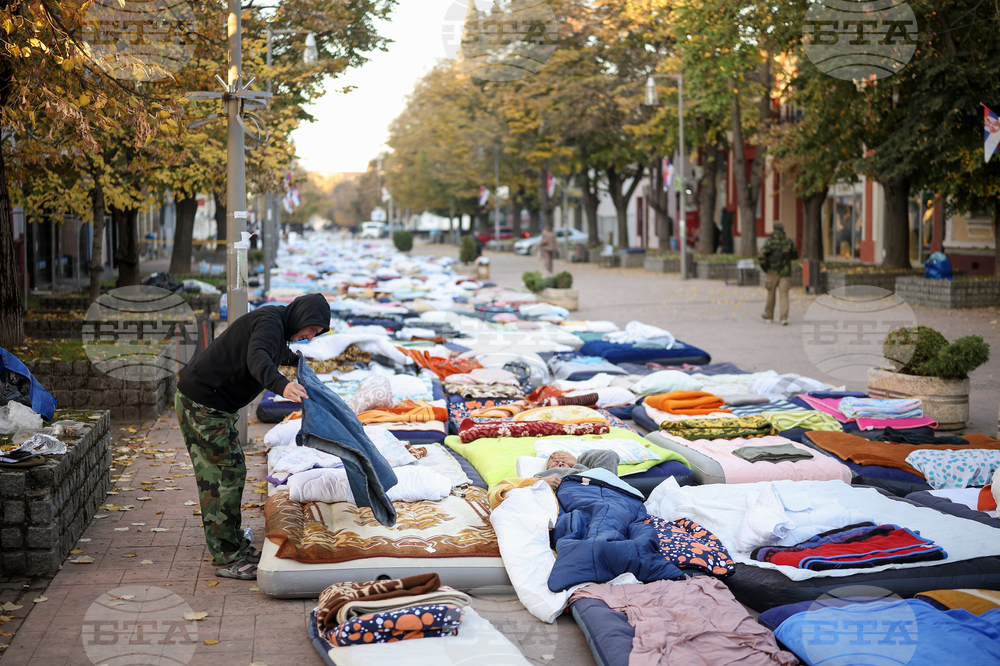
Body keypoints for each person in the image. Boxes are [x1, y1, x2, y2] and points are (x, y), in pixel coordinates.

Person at [175, 293, 331, 579]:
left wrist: (298, 363)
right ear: (302, 316)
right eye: (312, 329)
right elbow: (258, 357)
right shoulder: (270, 322)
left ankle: (233, 542)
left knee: (231, 472)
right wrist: (282, 385)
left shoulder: (275, 325)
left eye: (316, 334)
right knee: (221, 477)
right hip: (202, 406)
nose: (310, 336)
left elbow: (272, 352)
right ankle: (226, 557)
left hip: (213, 407)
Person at [488, 449, 620, 507]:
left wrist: (577, 462)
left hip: (610, 499)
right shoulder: (543, 478)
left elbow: (608, 457)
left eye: (565, 462)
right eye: (555, 463)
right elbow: (500, 490)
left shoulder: (586, 470)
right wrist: (537, 483)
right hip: (578, 506)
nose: (562, 464)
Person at [758, 221, 798, 326]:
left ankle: (769, 316)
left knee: (771, 294)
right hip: (785, 272)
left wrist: (766, 268)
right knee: (784, 294)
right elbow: (795, 255)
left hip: (772, 271)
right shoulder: (789, 242)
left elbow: (761, 256)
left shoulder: (769, 242)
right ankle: (784, 317)